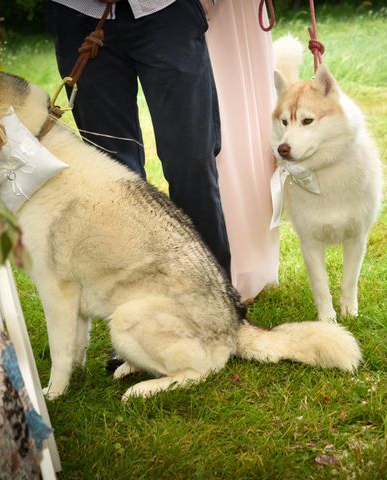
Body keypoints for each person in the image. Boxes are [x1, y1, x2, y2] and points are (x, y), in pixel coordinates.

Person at [46, 0, 231, 276]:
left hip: (167, 10)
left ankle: (214, 299)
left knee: (190, 162)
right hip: (80, 14)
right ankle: (140, 298)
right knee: (114, 174)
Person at [204, 0, 280, 302]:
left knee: (255, 123)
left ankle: (256, 262)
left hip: (248, 12)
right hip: (202, 14)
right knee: (225, 121)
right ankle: (231, 262)